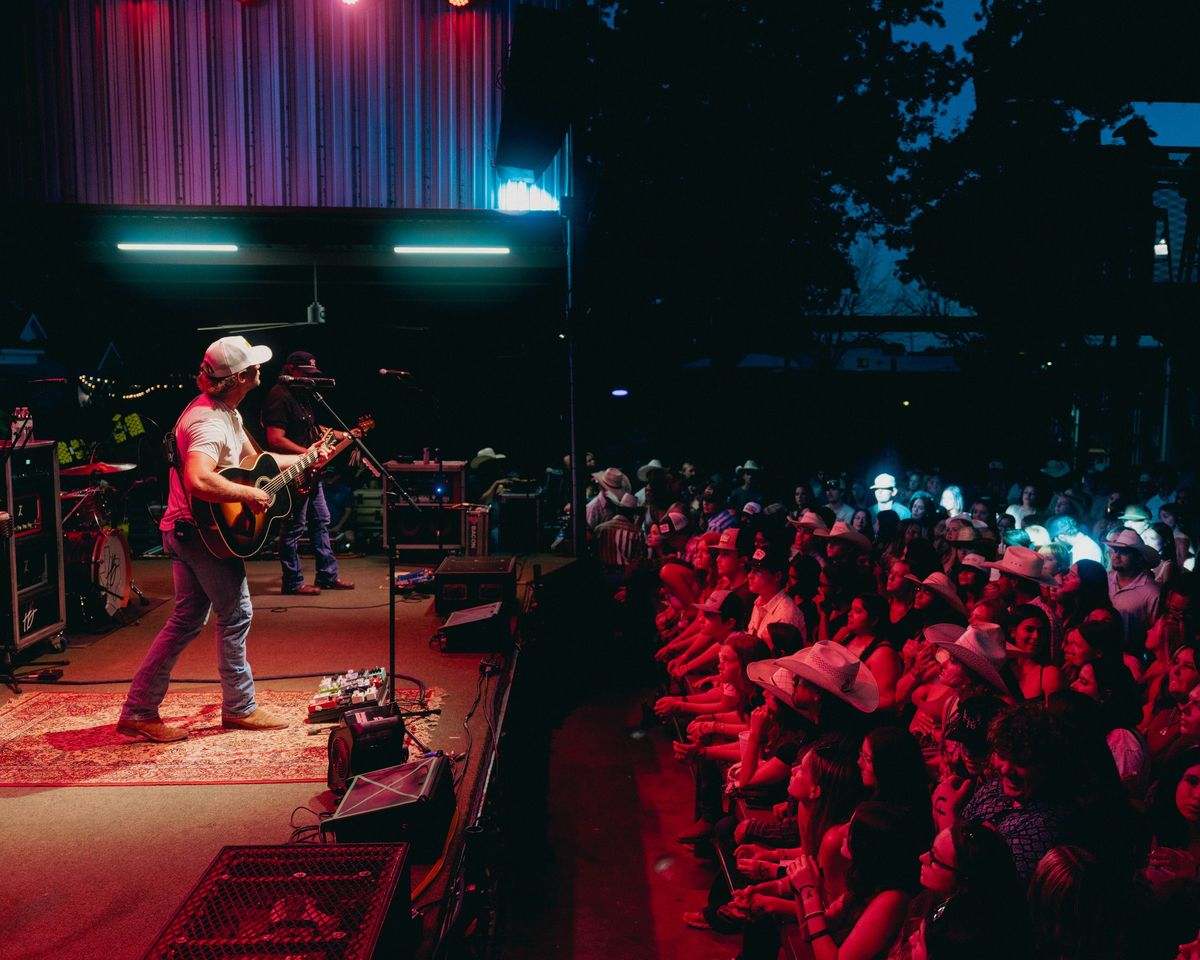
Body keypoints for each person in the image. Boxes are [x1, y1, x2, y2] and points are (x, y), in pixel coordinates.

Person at [117, 337, 331, 742]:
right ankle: (239, 708)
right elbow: (199, 479)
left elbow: (257, 463)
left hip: (188, 530)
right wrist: (248, 494)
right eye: (253, 366)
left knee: (186, 620)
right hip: (201, 534)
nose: (259, 370)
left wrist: (309, 456)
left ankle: (139, 709)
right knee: (236, 615)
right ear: (239, 377)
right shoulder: (209, 422)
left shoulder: (226, 411)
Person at [262, 350, 354, 596]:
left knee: (321, 521)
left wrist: (340, 436)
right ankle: (292, 582)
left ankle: (327, 576)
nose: (310, 378)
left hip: (311, 471)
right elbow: (275, 439)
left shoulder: (303, 396)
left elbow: (312, 430)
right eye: (305, 373)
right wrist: (306, 454)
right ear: (291, 370)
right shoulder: (278, 396)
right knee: (293, 528)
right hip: (293, 471)